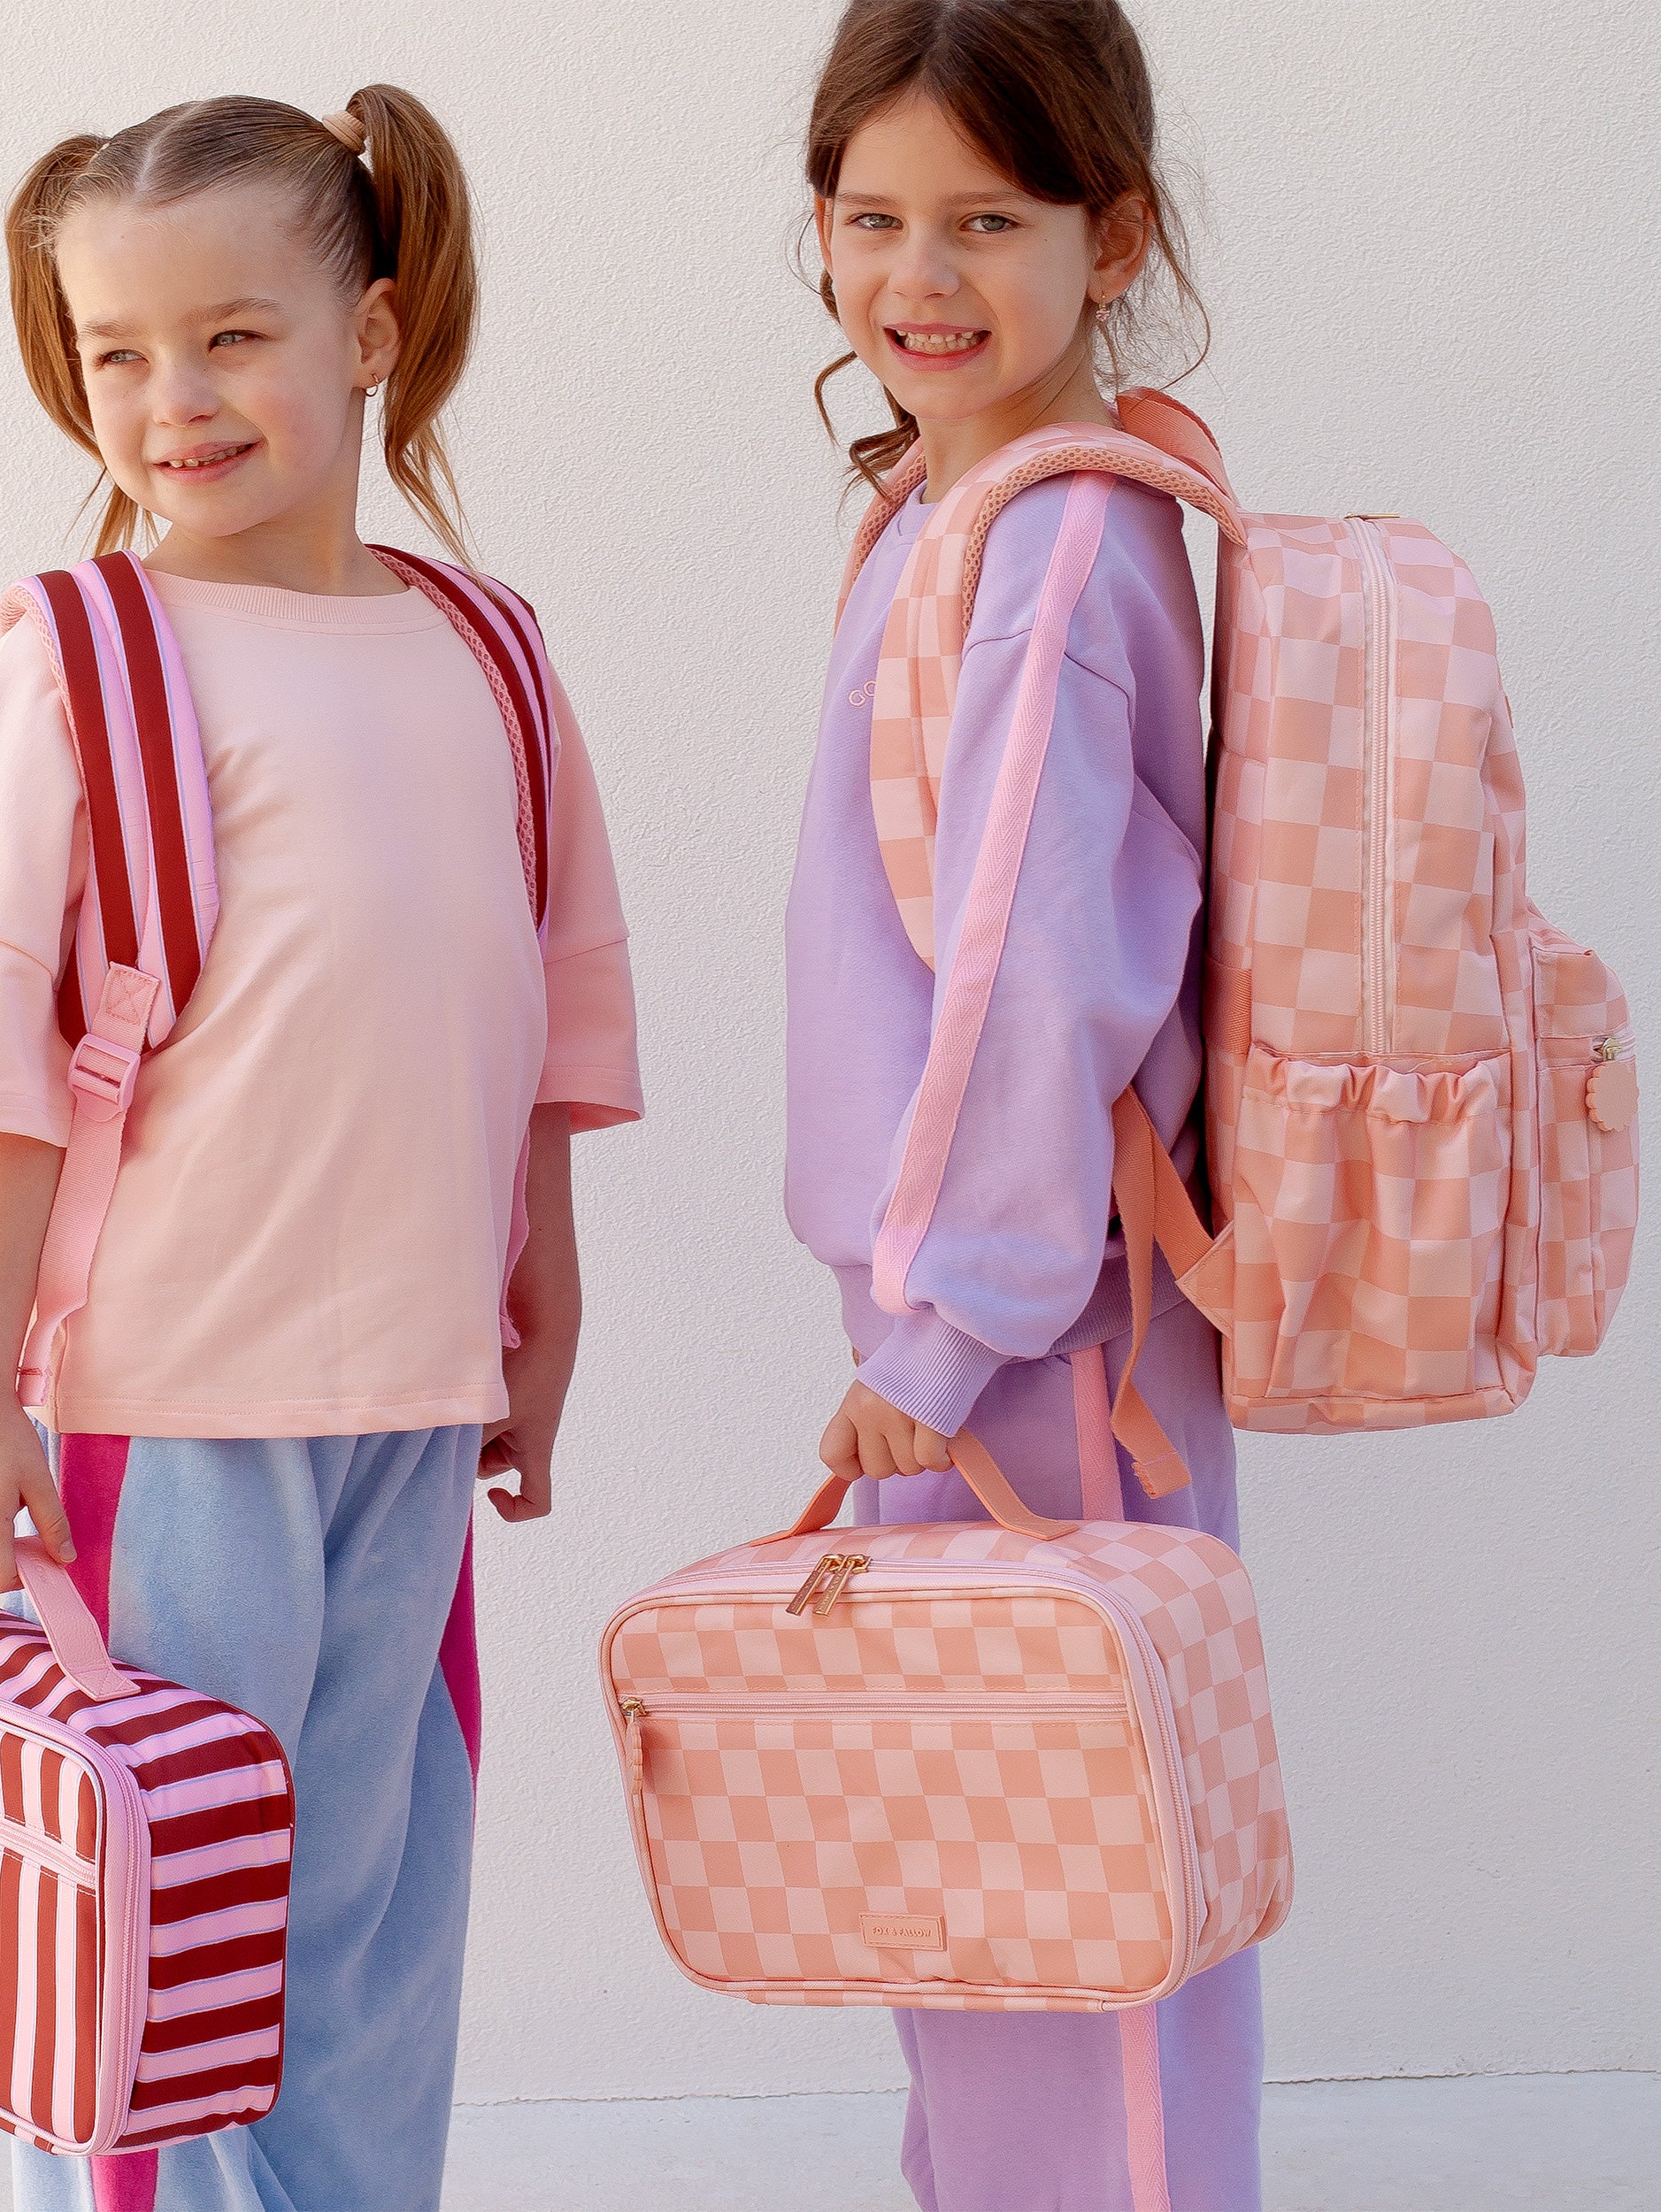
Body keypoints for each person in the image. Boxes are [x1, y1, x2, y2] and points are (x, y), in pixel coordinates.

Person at [0, 88, 642, 2212]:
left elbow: (537, 1008)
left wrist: (540, 1302)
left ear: (373, 331)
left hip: (407, 1385)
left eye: (228, 336)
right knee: (156, 1942)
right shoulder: (89, 651)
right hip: (164, 1404)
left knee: (375, 1920)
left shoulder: (482, 648)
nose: (166, 400)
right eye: (112, 353)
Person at [783, 4, 1262, 2206]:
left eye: (988, 217)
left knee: (1073, 1915)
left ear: (1112, 232)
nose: (921, 275)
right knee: (990, 1892)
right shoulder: (963, 510)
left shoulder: (1053, 549)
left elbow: (1031, 973)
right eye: (870, 217)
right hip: (1003, 1325)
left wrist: (943, 1327)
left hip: (1029, 1339)